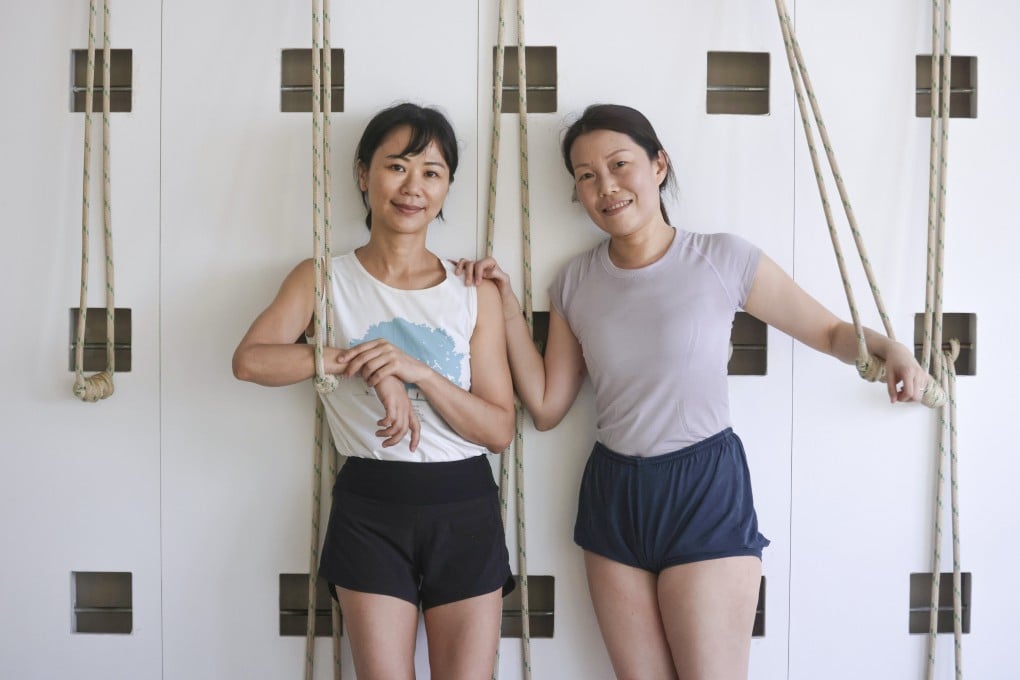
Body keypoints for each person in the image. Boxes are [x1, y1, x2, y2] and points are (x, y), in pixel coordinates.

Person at [455, 104, 930, 680]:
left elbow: (829, 331)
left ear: (659, 165)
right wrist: (505, 308)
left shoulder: (721, 257)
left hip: (704, 488)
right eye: (586, 176)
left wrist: (893, 350)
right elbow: (550, 407)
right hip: (613, 493)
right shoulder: (574, 282)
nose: (605, 186)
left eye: (619, 164)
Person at [233, 102, 516, 680]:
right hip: (369, 504)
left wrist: (419, 373)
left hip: (464, 503)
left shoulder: (472, 291)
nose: (413, 187)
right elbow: (251, 361)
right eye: (397, 167)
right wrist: (360, 361)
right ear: (364, 175)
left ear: (447, 188)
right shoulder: (322, 279)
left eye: (432, 172)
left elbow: (498, 430)